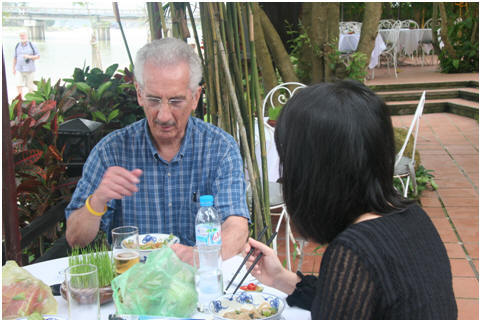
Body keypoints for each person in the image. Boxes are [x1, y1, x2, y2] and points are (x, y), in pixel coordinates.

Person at [244, 81, 457, 319]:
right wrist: (280, 278)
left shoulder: (355, 250)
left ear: (314, 172)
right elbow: (349, 299)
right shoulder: (411, 216)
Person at [65, 38, 250, 264]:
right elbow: (75, 239)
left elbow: (237, 226)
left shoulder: (219, 148)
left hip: (197, 279)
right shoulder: (111, 152)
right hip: (133, 284)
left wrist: (200, 257)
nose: (163, 115)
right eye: (153, 100)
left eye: (175, 101)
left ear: (195, 97)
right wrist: (98, 200)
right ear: (139, 94)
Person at [13, 31, 40, 97]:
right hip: (19, 69)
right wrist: (13, 68)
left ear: (27, 36)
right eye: (21, 35)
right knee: (18, 85)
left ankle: (31, 103)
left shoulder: (32, 45)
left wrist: (29, 57)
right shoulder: (17, 45)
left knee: (31, 87)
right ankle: (20, 101)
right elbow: (14, 58)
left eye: (24, 35)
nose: (22, 37)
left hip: (30, 70)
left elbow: (38, 56)